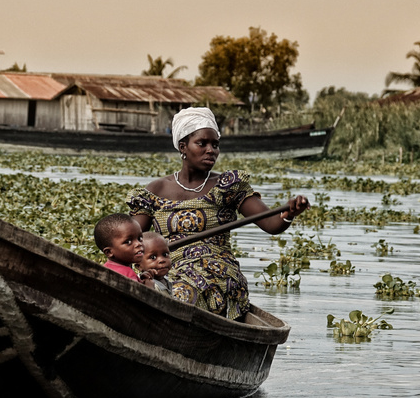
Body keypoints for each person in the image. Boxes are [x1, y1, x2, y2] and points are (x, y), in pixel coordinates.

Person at [128, 107, 310, 320]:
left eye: (215, 144)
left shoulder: (227, 186)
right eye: (202, 143)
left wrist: (289, 213)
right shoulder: (155, 190)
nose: (211, 150)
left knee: (180, 294)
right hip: (167, 268)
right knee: (145, 286)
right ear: (182, 147)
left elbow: (271, 224)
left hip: (217, 272)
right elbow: (132, 239)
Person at [93, 213, 148, 283]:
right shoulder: (128, 276)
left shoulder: (105, 270)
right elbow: (139, 294)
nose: (138, 244)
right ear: (109, 252)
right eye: (128, 242)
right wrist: (149, 286)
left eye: (139, 238)